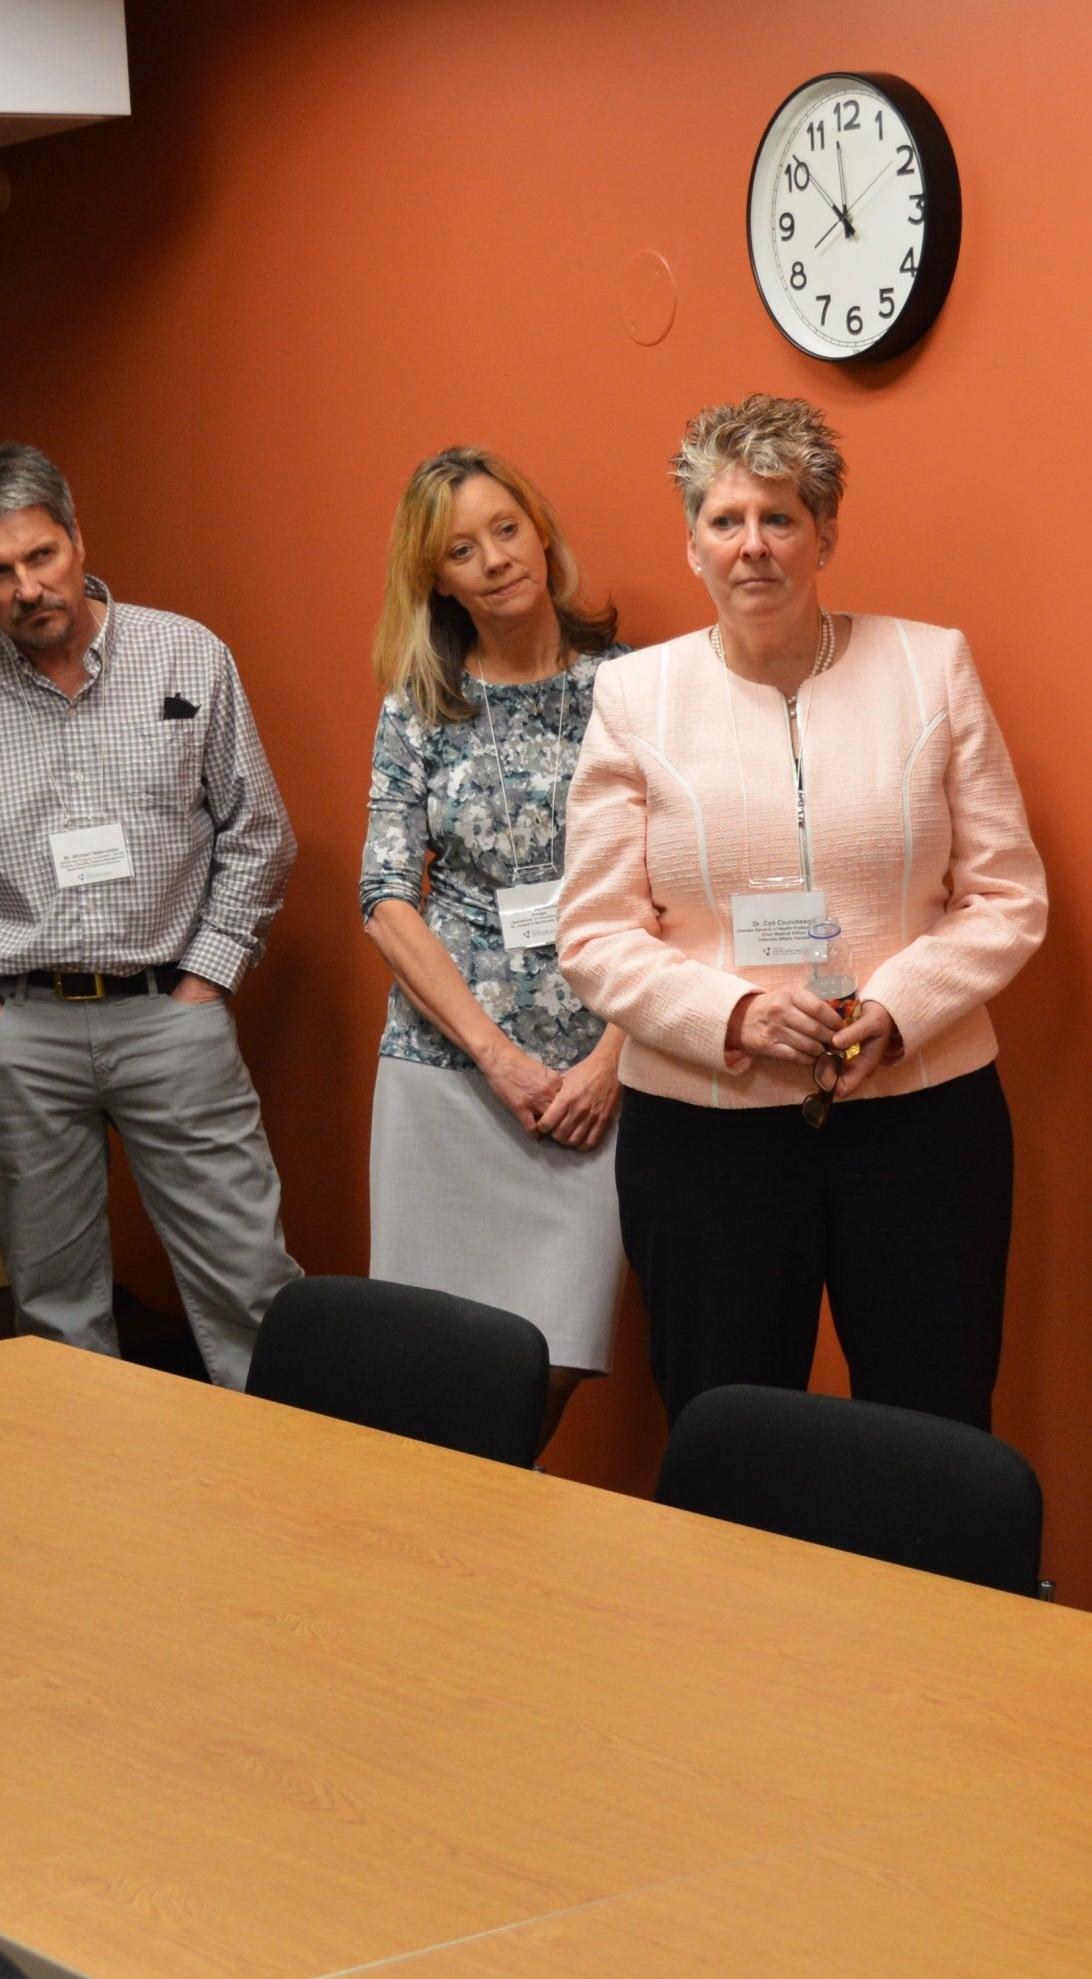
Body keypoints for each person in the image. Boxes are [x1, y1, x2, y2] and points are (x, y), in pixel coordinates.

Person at [560, 395, 1048, 1429]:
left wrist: (901, 1004)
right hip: (705, 1135)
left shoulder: (933, 668)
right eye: (725, 521)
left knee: (935, 1425)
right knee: (726, 1431)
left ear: (826, 533)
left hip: (920, 1116)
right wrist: (732, 1016)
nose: (753, 548)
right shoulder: (634, 700)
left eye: (780, 518)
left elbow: (1008, 895)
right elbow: (595, 934)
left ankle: (933, 1597)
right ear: (691, 544)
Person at [0, 444, 304, 1391]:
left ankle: (292, 1503)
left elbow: (258, 830)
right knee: (53, 1307)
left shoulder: (188, 656)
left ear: (76, 539)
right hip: (25, 1027)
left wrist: (204, 982)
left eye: (41, 557)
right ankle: (83, 1514)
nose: (27, 588)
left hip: (171, 1016)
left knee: (250, 1285)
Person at [362, 448, 630, 1446]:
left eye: (504, 529)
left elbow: (687, 891)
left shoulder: (636, 692)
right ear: (436, 579)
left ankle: (478, 1546)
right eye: (460, 550)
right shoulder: (420, 707)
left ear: (541, 529)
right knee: (432, 1362)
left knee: (548, 1363)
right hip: (452, 1078)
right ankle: (444, 1576)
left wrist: (616, 1059)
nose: (493, 560)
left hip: (598, 1079)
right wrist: (498, 1058)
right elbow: (387, 895)